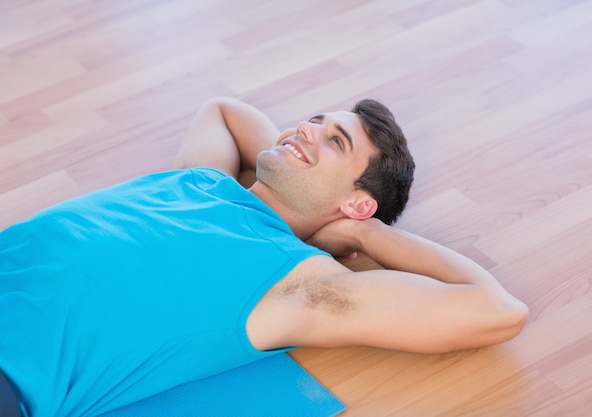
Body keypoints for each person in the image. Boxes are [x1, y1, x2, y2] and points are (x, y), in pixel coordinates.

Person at [0, 97, 528, 417]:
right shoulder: (203, 176)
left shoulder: (299, 284)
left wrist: (361, 235)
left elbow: (498, 311)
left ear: (358, 202)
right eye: (314, 120)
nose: (305, 129)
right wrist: (306, 157)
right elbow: (225, 109)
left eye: (335, 140)